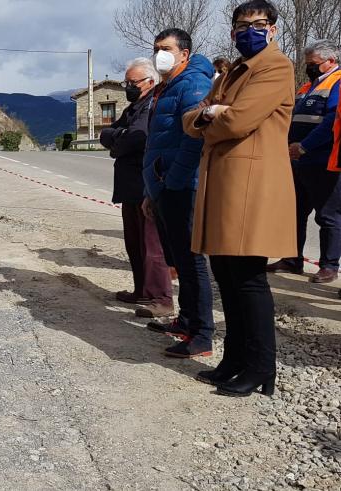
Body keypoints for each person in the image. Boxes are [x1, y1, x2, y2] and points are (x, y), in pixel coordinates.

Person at [184, 0, 295, 397]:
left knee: (248, 279)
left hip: (251, 183)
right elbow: (193, 118)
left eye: (260, 23)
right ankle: (234, 358)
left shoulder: (275, 66)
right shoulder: (232, 72)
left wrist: (214, 115)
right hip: (224, 183)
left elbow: (240, 120)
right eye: (242, 25)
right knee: (227, 277)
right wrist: (211, 112)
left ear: (274, 29)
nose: (251, 30)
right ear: (232, 32)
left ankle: (262, 366)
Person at [141, 28, 216, 358]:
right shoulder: (166, 86)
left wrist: (172, 180)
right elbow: (158, 140)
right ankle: (186, 321)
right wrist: (151, 190)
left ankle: (202, 334)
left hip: (182, 187)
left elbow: (195, 138)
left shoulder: (194, 83)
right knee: (179, 261)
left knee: (191, 262)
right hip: (163, 186)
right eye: (157, 48)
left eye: (166, 48)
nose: (160, 54)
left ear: (184, 53)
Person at [100, 58, 174, 318]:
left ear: (149, 82)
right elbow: (107, 134)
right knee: (134, 242)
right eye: (126, 82)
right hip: (129, 185)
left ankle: (161, 298)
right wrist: (119, 137)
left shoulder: (152, 104)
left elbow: (138, 137)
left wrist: (118, 139)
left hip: (146, 185)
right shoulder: (135, 106)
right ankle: (141, 290)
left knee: (152, 246)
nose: (128, 87)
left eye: (132, 82)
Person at [267, 40, 341, 283]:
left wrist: (305, 146)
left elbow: (332, 122)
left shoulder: (337, 82)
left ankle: (329, 265)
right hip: (297, 161)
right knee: (295, 213)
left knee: (327, 216)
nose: (309, 67)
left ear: (330, 61)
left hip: (323, 161)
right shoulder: (308, 86)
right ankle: (292, 259)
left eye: (313, 64)